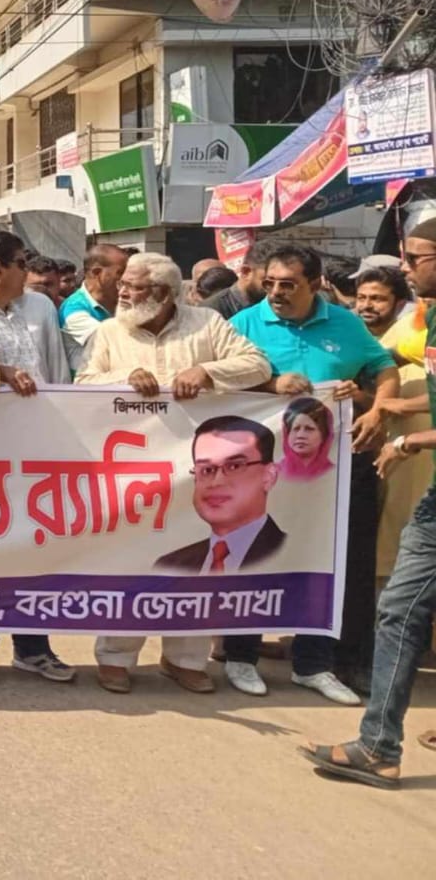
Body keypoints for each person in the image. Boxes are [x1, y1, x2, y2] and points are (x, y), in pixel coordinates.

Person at [75, 252, 271, 694]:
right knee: (132, 562)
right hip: (135, 473)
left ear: (163, 293)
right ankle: (116, 658)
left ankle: (184, 659)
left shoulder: (207, 325)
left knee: (197, 563)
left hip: (199, 473)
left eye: (134, 286)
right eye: (123, 284)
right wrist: (125, 377)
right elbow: (83, 383)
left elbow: (257, 366)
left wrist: (206, 371)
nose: (123, 292)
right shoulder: (109, 332)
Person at [228, 244, 398, 703]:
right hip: (264, 465)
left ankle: (315, 663)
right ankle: (241, 656)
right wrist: (270, 384)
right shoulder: (244, 323)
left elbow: (384, 370)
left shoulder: (346, 323)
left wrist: (376, 408)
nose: (276, 293)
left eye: (288, 285)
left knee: (329, 558)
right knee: (257, 552)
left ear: (316, 284)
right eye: (270, 284)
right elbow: (219, 380)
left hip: (333, 467)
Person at [300, 218, 436, 788]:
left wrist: (408, 439)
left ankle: (379, 747)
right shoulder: (428, 321)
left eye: (415, 257)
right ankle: (379, 746)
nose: (404, 266)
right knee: (399, 611)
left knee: (398, 611)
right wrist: (387, 408)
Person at [0, 231, 74, 686]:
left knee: (36, 546)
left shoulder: (41, 306)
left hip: (39, 448)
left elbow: (56, 372)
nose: (29, 271)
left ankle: (33, 647)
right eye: (22, 263)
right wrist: (0, 372)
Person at [353, 265, 431, 587]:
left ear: (400, 303)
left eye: (377, 298)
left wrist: (397, 405)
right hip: (391, 453)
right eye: (361, 297)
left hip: (417, 452)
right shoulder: (382, 340)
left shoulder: (413, 333)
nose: (367, 305)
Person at [155, 417, 287, 572]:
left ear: (269, 476)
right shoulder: (170, 565)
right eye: (207, 469)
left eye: (234, 466)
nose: (216, 482)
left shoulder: (299, 554)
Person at [59, 244, 128, 371]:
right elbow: (114, 341)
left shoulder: (121, 301)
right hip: (89, 382)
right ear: (97, 273)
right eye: (120, 272)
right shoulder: (73, 309)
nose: (126, 278)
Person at [205, 239, 278, 319]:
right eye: (269, 282)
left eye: (285, 282)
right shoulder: (211, 312)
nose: (277, 289)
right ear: (246, 272)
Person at [280, 396, 336, 480]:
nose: (300, 435)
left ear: (324, 435)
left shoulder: (335, 472)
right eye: (296, 428)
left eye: (309, 429)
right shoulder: (272, 473)